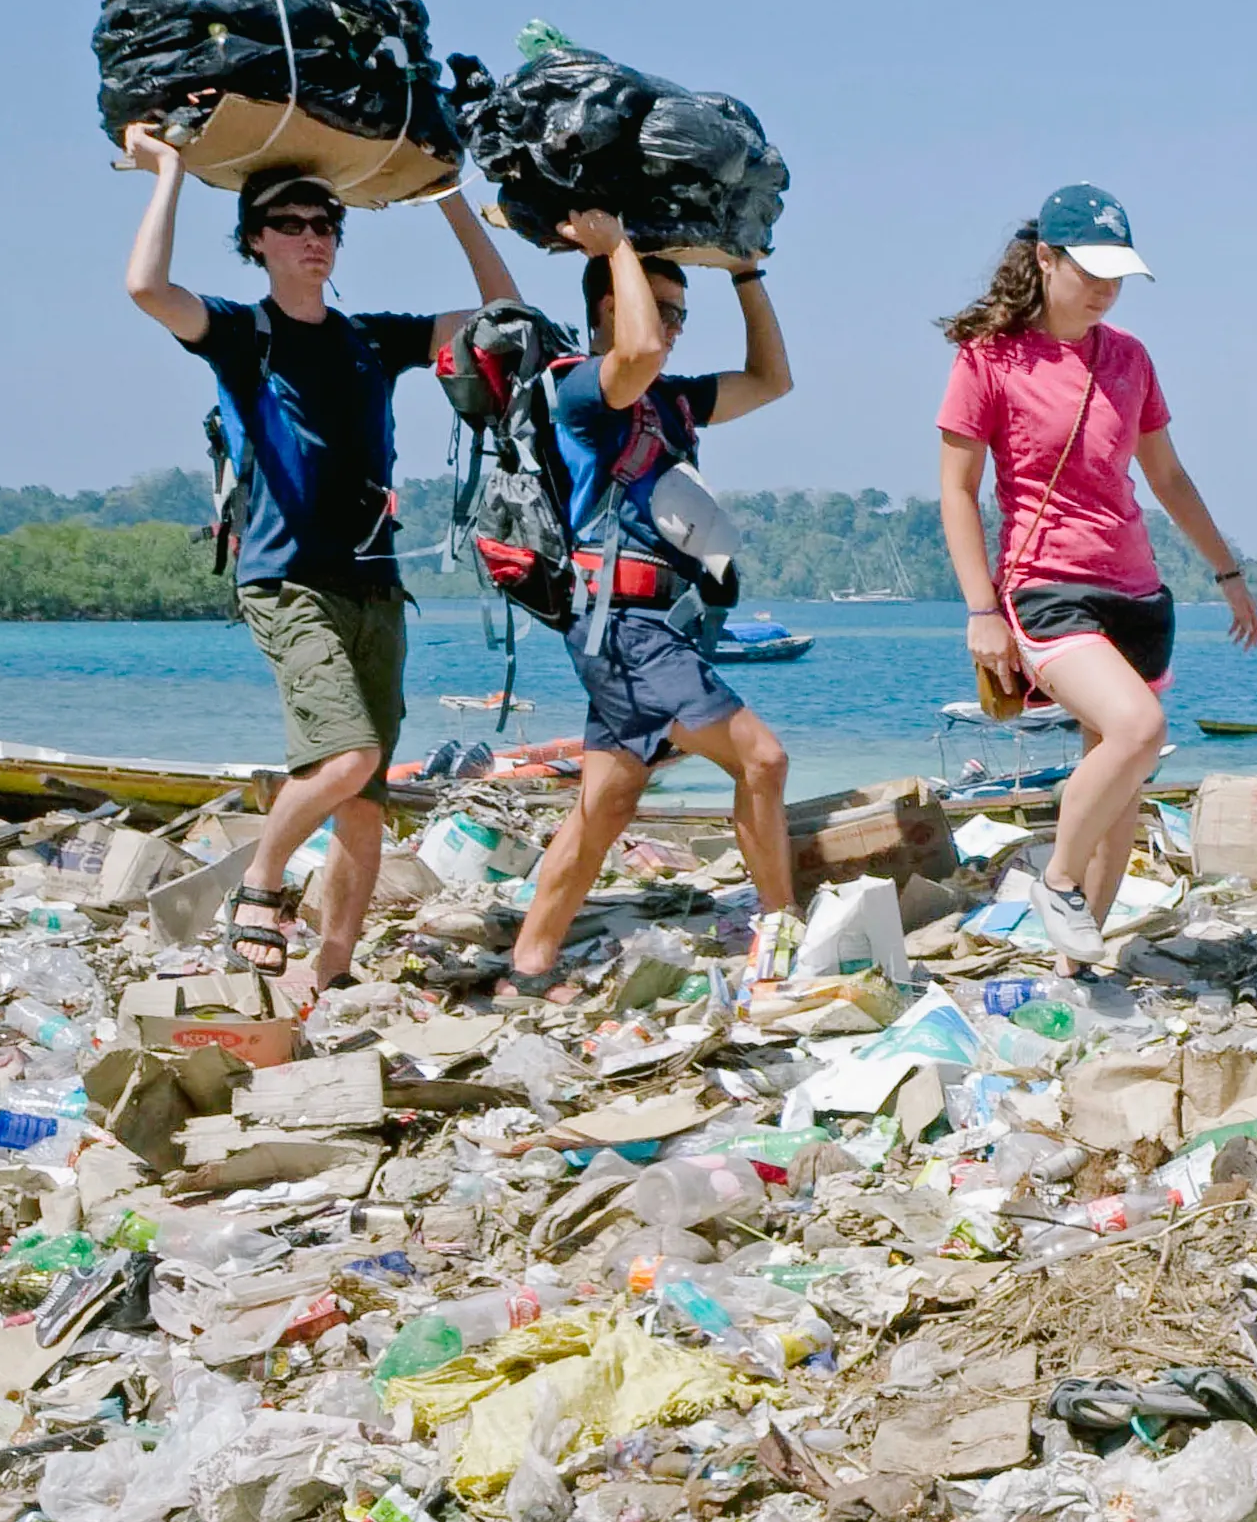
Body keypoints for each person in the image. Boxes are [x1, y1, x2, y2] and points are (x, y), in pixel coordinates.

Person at [120, 140, 516, 1003]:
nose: (312, 236)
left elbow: (502, 310)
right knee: (347, 756)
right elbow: (148, 289)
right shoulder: (240, 333)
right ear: (255, 240)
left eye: (325, 223)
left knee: (365, 796)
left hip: (375, 585)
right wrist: (172, 174)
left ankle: (332, 966)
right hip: (286, 579)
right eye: (289, 224)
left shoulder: (374, 339)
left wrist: (448, 196)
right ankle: (261, 883)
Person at [939, 186, 1257, 959]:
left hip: (1137, 593)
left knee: (1120, 780)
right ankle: (1053, 881)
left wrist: (1228, 572)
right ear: (1046, 259)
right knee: (1138, 728)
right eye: (1089, 270)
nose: (1105, 289)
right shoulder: (990, 356)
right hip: (1047, 589)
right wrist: (980, 609)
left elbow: (1169, 478)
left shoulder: (1130, 359)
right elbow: (956, 490)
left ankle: (1079, 963)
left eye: (1117, 274)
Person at [501, 219, 797, 1000]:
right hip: (621, 625)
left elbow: (773, 383)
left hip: (650, 631)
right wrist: (617, 247)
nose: (668, 327)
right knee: (763, 760)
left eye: (679, 314)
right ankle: (782, 937)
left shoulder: (676, 403)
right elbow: (630, 356)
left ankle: (526, 967)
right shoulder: (582, 393)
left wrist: (744, 277)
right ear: (608, 308)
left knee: (607, 804)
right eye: (657, 307)